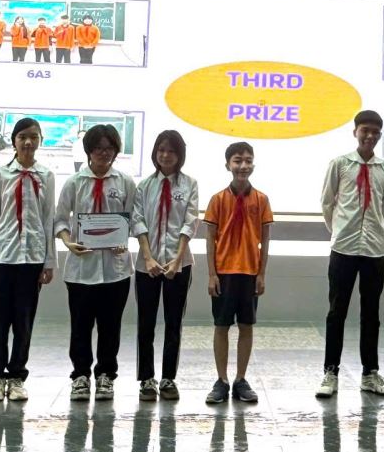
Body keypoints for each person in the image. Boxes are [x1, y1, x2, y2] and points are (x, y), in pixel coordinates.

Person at [54, 123, 139, 400]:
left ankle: (105, 376)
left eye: (110, 148)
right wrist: (68, 242)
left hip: (116, 269)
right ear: (89, 150)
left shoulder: (125, 182)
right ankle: (80, 375)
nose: (104, 153)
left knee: (110, 326)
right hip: (81, 268)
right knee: (81, 326)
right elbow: (59, 220)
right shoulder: (74, 182)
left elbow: (132, 219)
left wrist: (124, 237)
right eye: (99, 148)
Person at [0, 116, 58, 402]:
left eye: (34, 137)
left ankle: (17, 376)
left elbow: (48, 219)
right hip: (2, 256)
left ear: (40, 141)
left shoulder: (46, 175)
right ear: (13, 141)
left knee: (24, 321)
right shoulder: (1, 174)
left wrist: (49, 261)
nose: (28, 142)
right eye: (22, 136)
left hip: (31, 258)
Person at [317, 110, 384, 398]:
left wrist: (370, 230)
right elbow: (327, 202)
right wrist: (340, 230)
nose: (370, 136)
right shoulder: (340, 164)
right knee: (336, 311)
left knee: (371, 313)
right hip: (343, 248)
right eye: (365, 130)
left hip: (374, 249)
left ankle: (370, 373)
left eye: (375, 131)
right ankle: (330, 372)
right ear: (355, 132)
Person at [204, 141, 274, 404]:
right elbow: (210, 239)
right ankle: (221, 380)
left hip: (249, 272)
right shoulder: (217, 200)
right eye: (237, 160)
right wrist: (212, 274)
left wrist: (261, 274)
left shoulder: (261, 200)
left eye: (248, 160)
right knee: (221, 326)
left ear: (253, 164)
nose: (243, 165)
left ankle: (241, 379)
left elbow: (265, 239)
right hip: (223, 272)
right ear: (228, 165)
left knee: (246, 326)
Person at [132, 129, 199, 402]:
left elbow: (190, 222)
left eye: (171, 151)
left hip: (178, 265)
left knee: (174, 323)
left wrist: (177, 259)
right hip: (146, 265)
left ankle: (168, 378)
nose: (166, 155)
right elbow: (138, 221)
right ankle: (146, 379)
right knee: (145, 323)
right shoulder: (144, 186)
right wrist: (148, 257)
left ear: (180, 154)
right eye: (161, 150)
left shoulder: (190, 184)